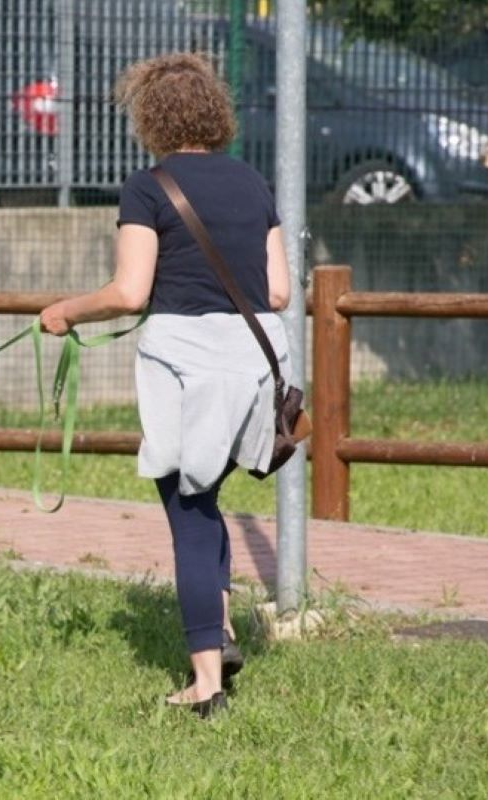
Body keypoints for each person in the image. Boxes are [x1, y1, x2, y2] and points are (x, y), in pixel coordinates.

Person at [39, 52, 292, 718]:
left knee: (186, 509)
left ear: (149, 117)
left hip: (186, 364)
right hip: (253, 361)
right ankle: (225, 628)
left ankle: (206, 684)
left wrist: (65, 311)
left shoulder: (149, 187)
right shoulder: (253, 183)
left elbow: (129, 293)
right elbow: (279, 291)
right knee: (205, 500)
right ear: (217, 112)